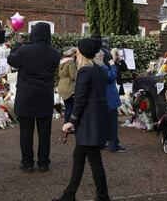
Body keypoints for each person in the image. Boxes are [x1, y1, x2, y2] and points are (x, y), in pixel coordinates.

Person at [54, 38, 112, 201]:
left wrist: (71, 120)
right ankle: (69, 194)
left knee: (94, 160)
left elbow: (80, 99)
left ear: (82, 52)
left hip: (88, 121)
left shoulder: (84, 71)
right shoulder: (100, 69)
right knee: (78, 156)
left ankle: (103, 196)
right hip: (97, 117)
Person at [7, 22, 60, 173]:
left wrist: (18, 44)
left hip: (26, 97)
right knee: (44, 134)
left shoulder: (24, 51)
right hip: (44, 97)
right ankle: (43, 163)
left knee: (26, 133)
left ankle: (27, 163)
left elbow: (11, 59)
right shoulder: (54, 52)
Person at [95, 49, 126, 153]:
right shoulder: (102, 67)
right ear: (100, 57)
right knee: (112, 123)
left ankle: (101, 143)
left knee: (102, 122)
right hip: (109, 97)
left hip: (101, 98)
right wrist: (112, 65)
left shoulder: (93, 66)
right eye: (103, 57)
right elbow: (112, 76)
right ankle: (113, 145)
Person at [57, 46, 77, 123]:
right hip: (69, 87)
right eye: (74, 53)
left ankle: (66, 123)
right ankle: (68, 125)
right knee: (70, 107)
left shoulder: (62, 62)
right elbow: (74, 76)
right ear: (71, 53)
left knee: (68, 106)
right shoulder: (70, 63)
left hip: (62, 85)